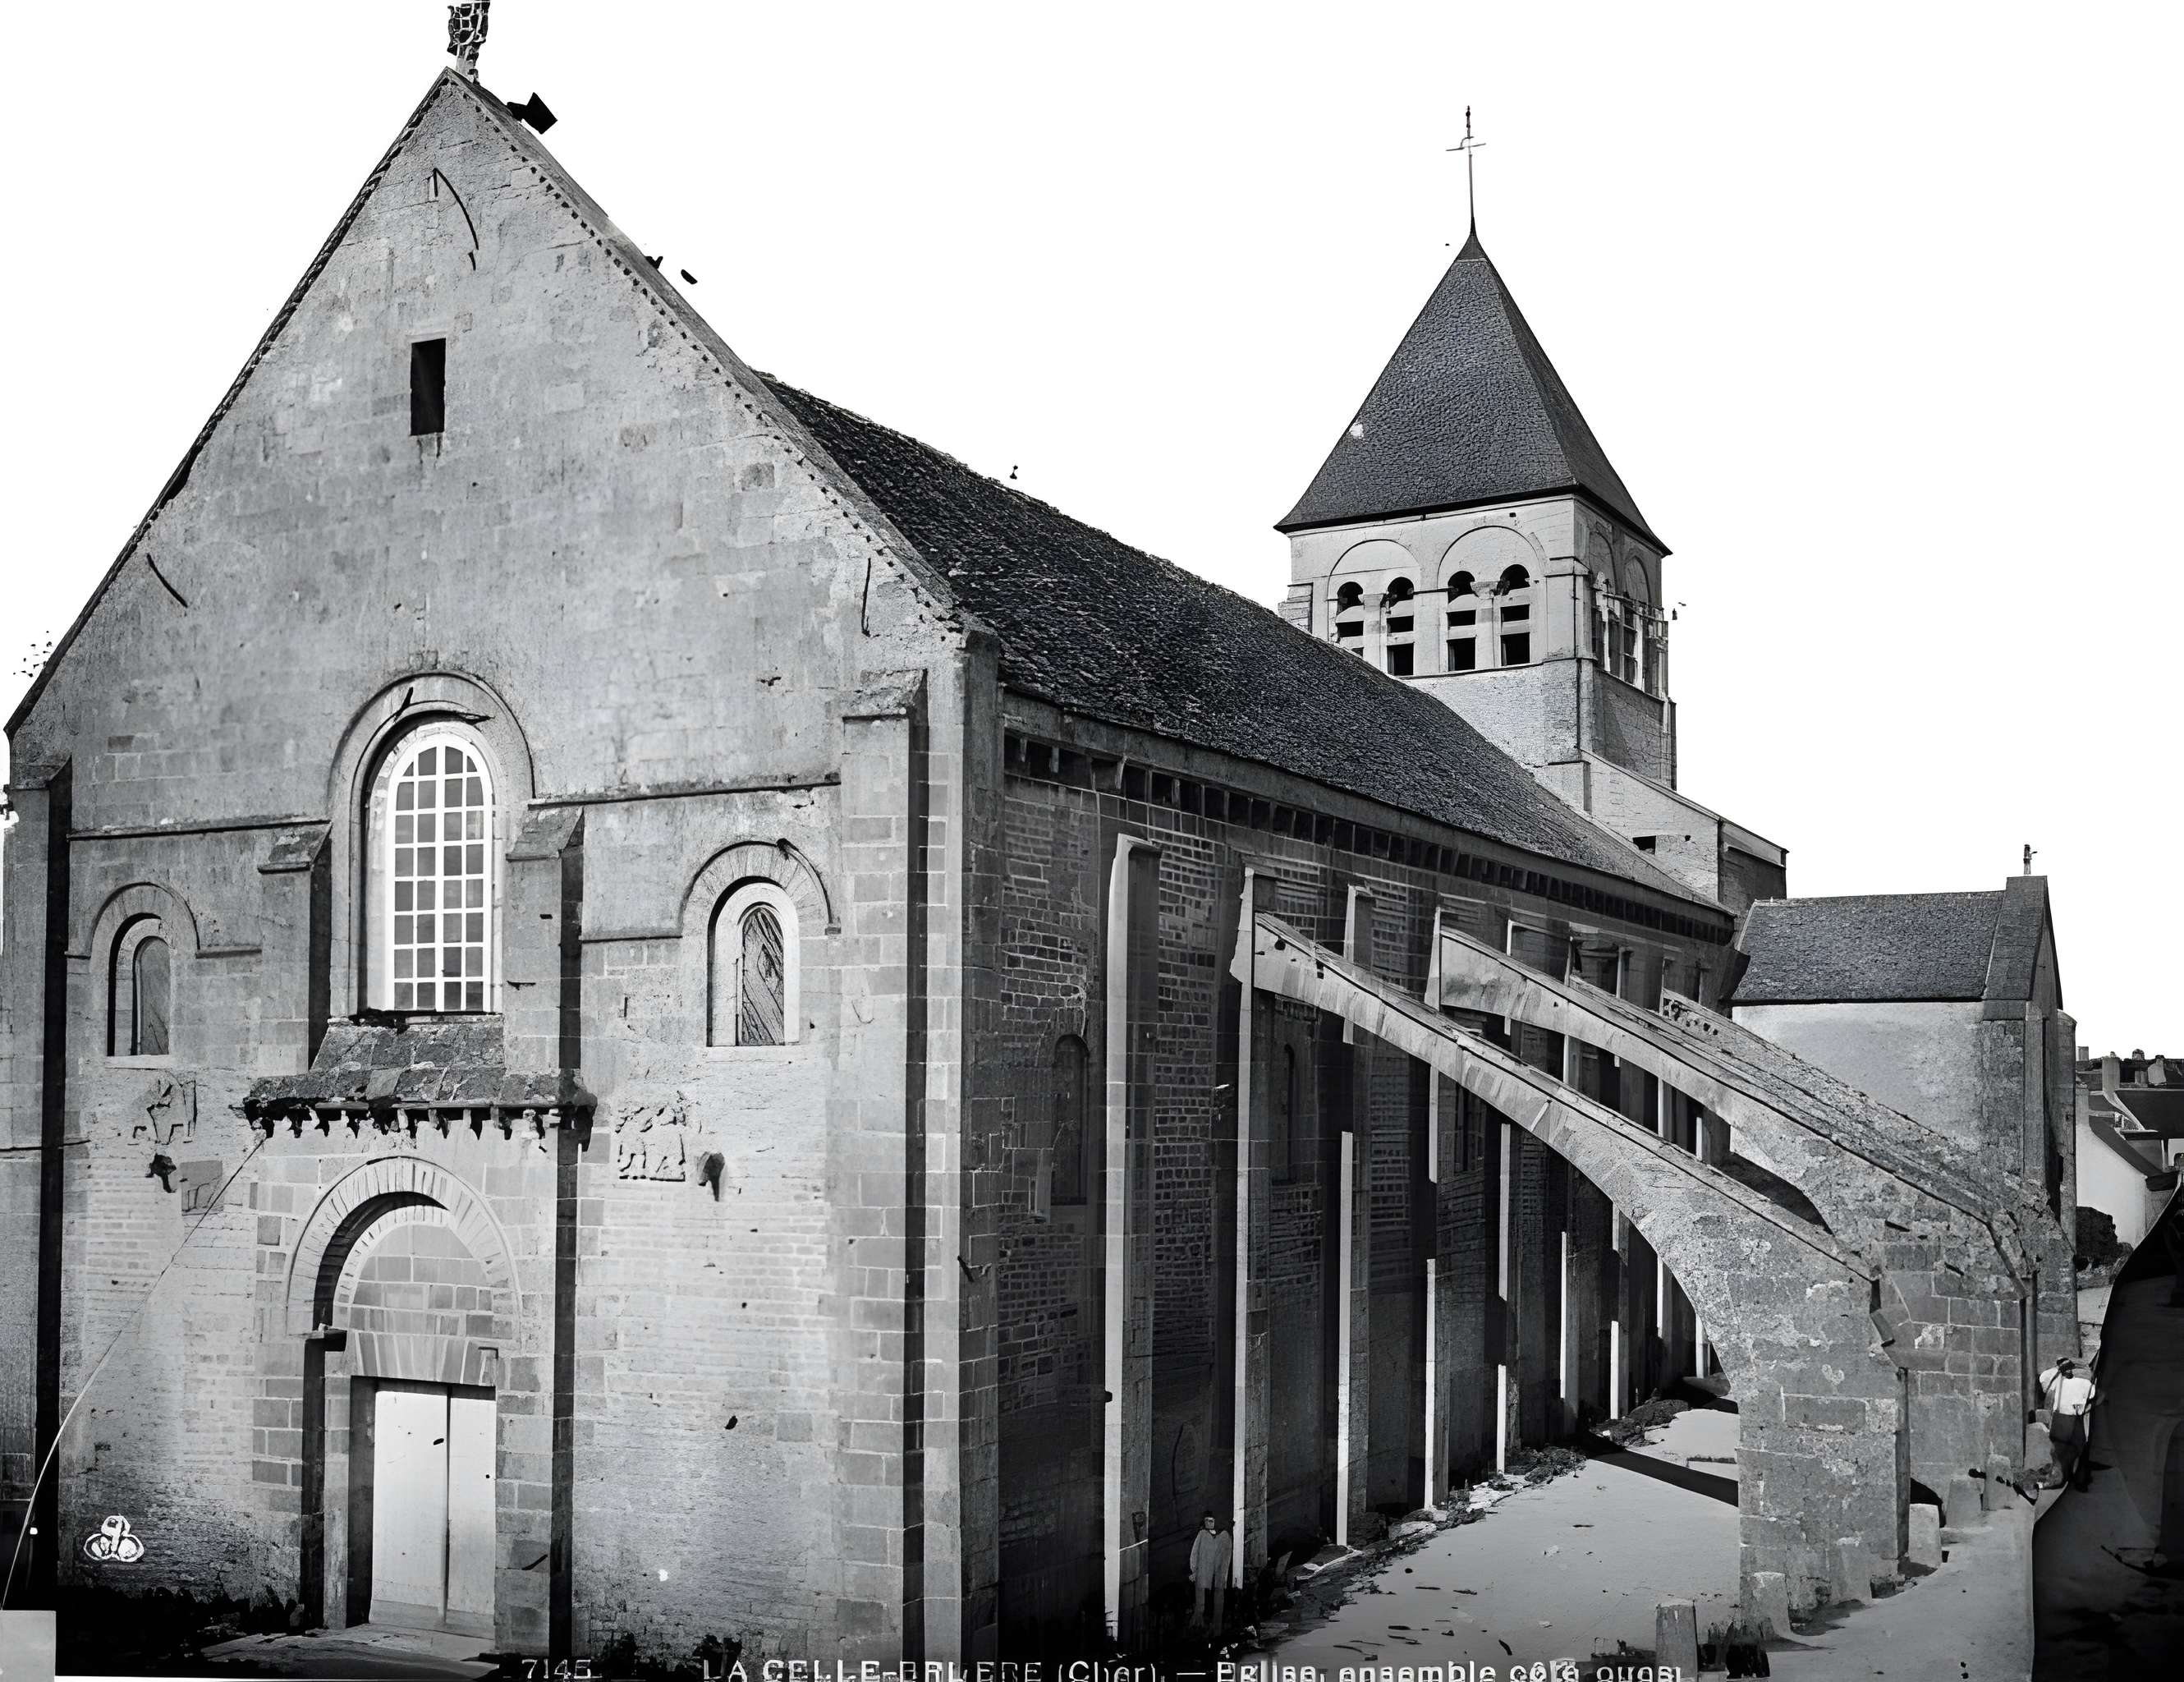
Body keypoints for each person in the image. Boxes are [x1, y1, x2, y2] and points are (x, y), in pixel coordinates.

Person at [2039, 1357, 2097, 1490]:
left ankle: (2061, 1476)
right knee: (2075, 1449)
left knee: (2059, 1451)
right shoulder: (2083, 1384)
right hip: (2072, 1420)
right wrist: (2088, 1407)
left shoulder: (2060, 1381)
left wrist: (2057, 1369)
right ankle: (2068, 1478)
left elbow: (2043, 1378)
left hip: (2060, 1419)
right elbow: (2097, 1396)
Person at [1187, 1511, 1231, 1634]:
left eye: (1211, 1521)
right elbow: (1194, 1553)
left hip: (1218, 1575)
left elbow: (1226, 1557)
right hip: (1203, 1573)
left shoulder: (1224, 1536)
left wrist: (1224, 1576)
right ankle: (1199, 1623)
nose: (1208, 1523)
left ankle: (1217, 1627)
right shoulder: (1202, 1535)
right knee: (1201, 1598)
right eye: (1206, 1521)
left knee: (1218, 1599)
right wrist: (1194, 1570)